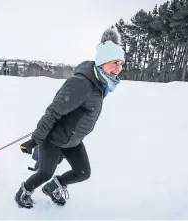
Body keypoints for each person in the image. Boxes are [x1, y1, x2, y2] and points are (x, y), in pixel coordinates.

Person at [15, 26, 125, 208]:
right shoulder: (81, 84)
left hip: (73, 139)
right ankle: (23, 192)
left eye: (121, 63)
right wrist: (35, 139)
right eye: (115, 62)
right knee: (44, 173)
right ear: (102, 61)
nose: (118, 68)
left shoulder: (101, 84)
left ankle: (53, 187)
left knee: (82, 172)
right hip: (53, 139)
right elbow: (53, 112)